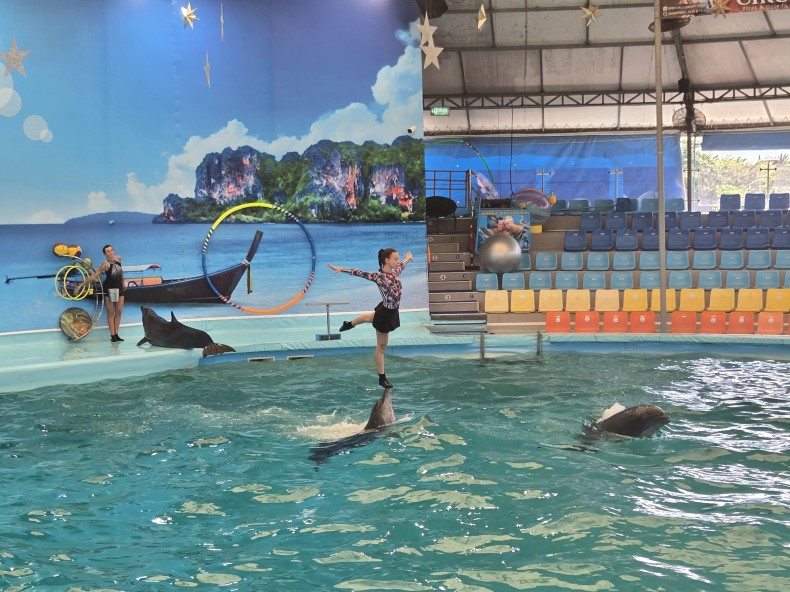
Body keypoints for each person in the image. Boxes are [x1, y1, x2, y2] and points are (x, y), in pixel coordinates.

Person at [327, 248, 413, 388]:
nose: (398, 262)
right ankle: (382, 378)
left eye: (398, 259)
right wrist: (341, 269)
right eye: (395, 259)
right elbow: (359, 273)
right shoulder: (378, 277)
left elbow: (403, 264)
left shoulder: (395, 272)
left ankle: (349, 324)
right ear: (387, 260)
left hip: (392, 311)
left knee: (369, 317)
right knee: (381, 347)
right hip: (385, 314)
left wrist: (408, 258)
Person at [77, 245, 125, 342]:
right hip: (109, 289)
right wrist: (81, 285)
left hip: (119, 288)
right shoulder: (105, 265)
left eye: (111, 250)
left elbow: (120, 271)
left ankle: (117, 334)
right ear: (105, 254)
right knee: (111, 312)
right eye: (108, 251)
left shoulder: (119, 259)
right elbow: (94, 276)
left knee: (119, 311)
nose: (111, 252)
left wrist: (123, 282)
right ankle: (113, 336)